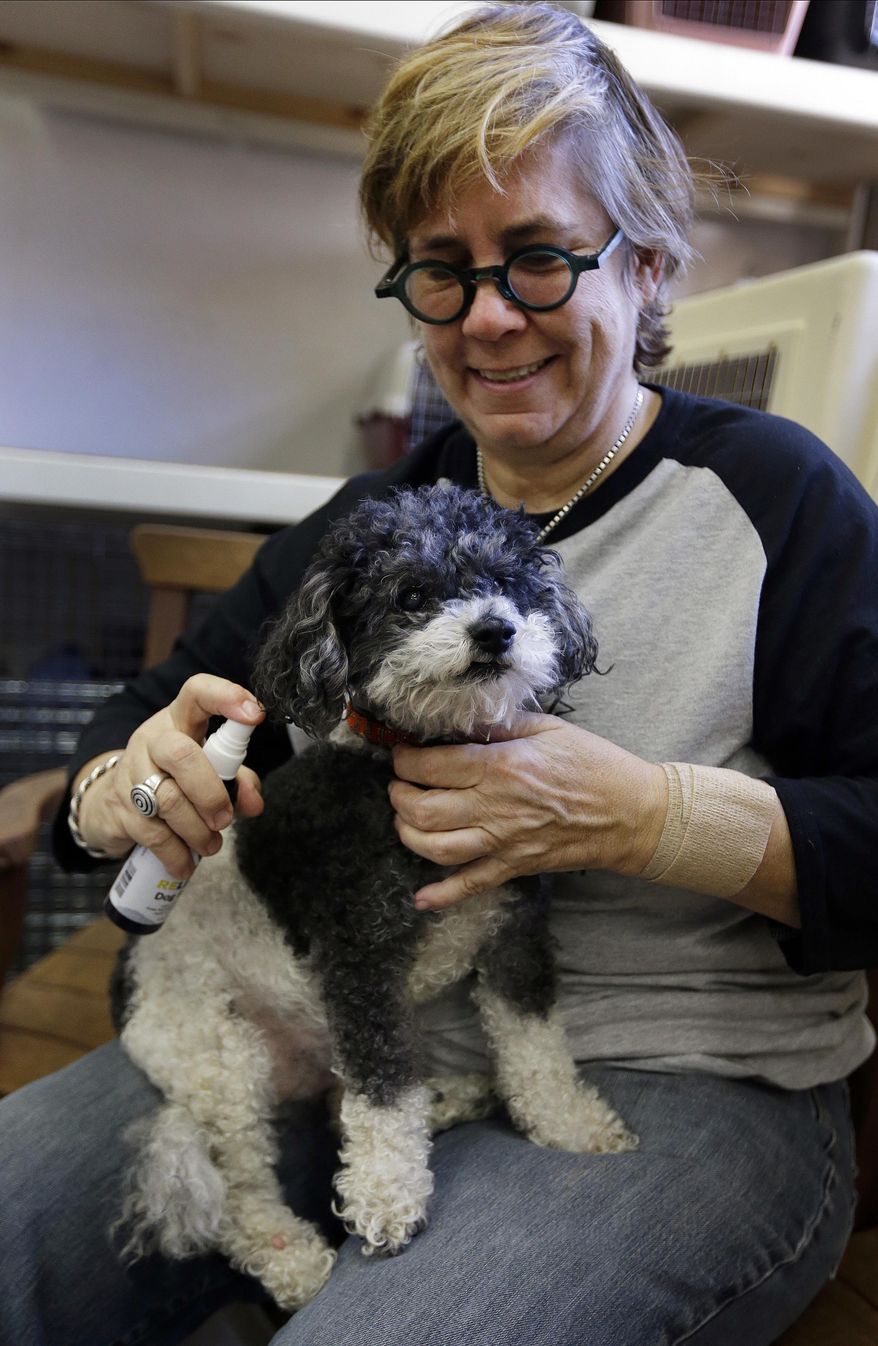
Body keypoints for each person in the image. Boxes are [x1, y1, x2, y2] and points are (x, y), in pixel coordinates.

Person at [2, 5, 876, 1344]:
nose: (483, 319)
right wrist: (124, 784)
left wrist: (649, 817)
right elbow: (146, 717)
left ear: (642, 266)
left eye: (535, 260)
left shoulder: (779, 502)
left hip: (692, 1080)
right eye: (437, 271)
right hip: (342, 1042)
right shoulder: (368, 522)